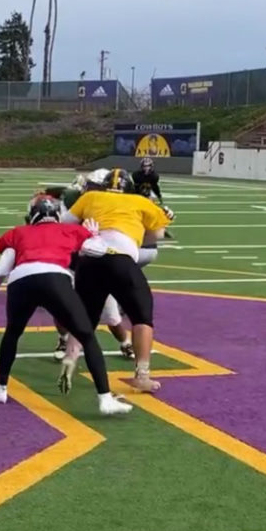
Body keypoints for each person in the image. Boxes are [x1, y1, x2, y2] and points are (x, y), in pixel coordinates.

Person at [0, 195, 132, 416]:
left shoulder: (18, 233)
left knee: (12, 333)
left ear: (32, 215)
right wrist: (95, 235)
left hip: (21, 280)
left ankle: (1, 388)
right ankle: (105, 398)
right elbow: (97, 251)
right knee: (86, 336)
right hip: (55, 278)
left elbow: (1, 269)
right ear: (57, 215)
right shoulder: (70, 231)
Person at [59, 168, 174, 394]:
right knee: (142, 316)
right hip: (121, 259)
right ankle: (142, 375)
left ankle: (70, 359)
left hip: (89, 261)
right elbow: (156, 236)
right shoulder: (140, 202)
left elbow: (65, 224)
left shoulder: (90, 197)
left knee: (85, 316)